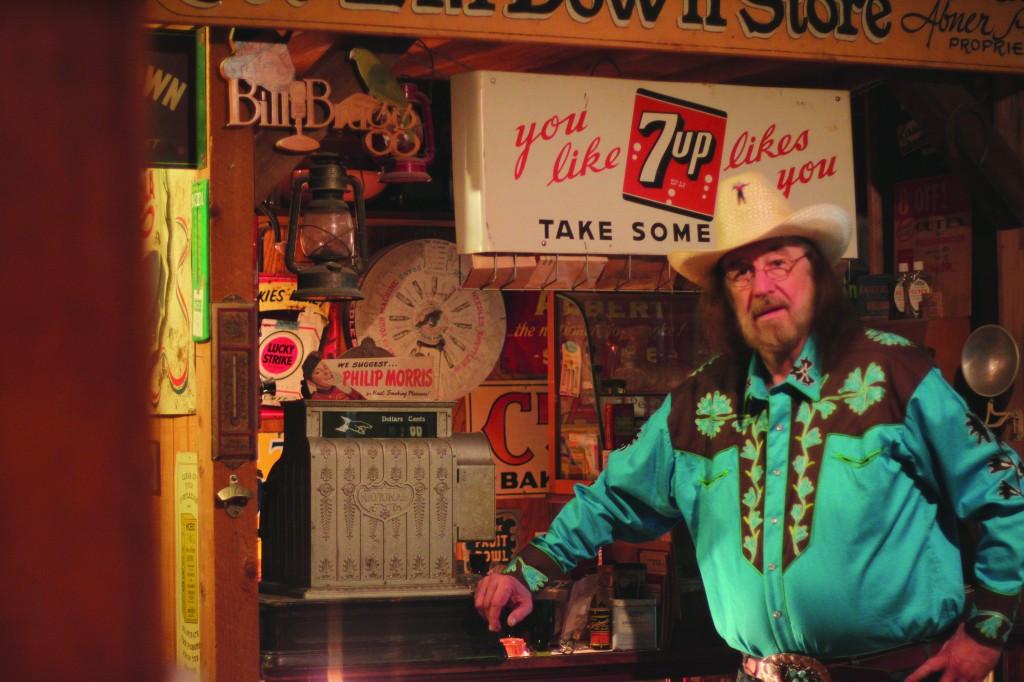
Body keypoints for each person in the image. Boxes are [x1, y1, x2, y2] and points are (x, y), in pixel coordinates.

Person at [474, 170, 1024, 682]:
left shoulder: (894, 375)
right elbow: (609, 499)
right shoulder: (698, 402)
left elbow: (1008, 493)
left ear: (818, 275)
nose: (762, 286)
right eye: (741, 271)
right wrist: (526, 571)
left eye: (779, 263)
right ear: (725, 297)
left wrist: (986, 633)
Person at [301, 351, 365, 400]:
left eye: (325, 367)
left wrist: (350, 391)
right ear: (310, 382)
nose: (325, 372)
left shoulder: (344, 389)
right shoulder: (314, 399)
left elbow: (366, 407)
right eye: (318, 372)